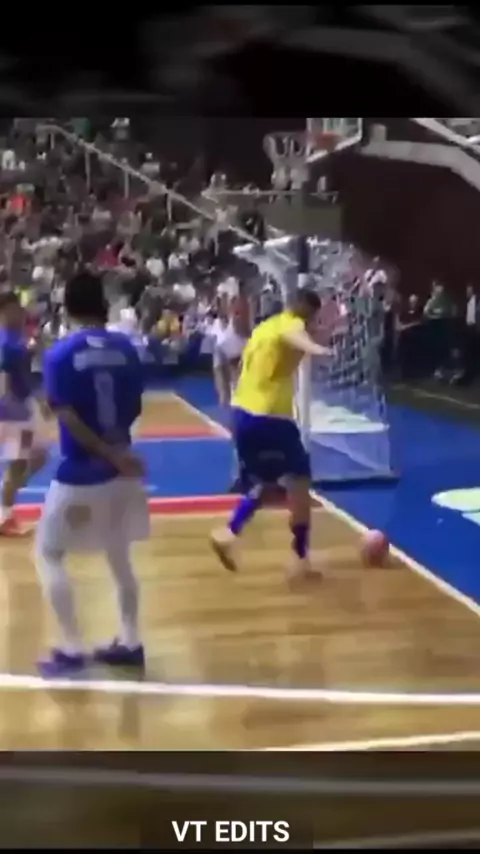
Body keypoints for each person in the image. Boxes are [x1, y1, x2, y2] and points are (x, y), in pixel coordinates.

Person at [36, 271, 149, 678]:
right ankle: (131, 642)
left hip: (82, 472)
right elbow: (135, 405)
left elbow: (64, 413)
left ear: (67, 306)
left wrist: (104, 452)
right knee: (119, 555)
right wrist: (118, 450)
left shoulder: (60, 353)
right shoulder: (127, 348)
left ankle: (70, 648)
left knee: (49, 552)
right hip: (124, 471)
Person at [210, 288, 332, 582]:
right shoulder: (292, 324)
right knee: (300, 482)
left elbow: (243, 364)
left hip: (242, 414)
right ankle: (300, 559)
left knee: (266, 482)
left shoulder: (264, 327)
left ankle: (229, 532)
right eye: (313, 318)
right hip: (271, 417)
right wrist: (319, 349)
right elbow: (296, 336)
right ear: (306, 311)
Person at [0, 292, 49, 536]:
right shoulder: (7, 343)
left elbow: (25, 375)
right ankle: (4, 515)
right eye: (14, 309)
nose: (20, 314)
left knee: (37, 457)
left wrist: (39, 400)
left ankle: (6, 504)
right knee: (22, 462)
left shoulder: (16, 340)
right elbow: (5, 380)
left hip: (21, 410)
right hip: (15, 413)